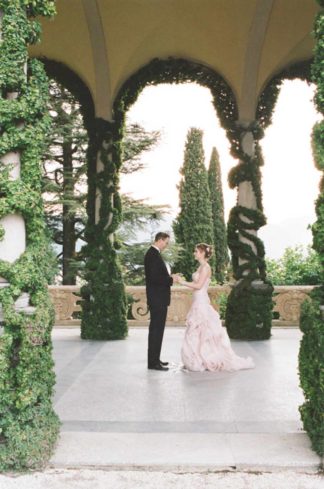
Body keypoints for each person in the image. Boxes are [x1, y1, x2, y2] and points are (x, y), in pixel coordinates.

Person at [174, 243, 255, 372]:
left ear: (202, 253)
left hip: (201, 300)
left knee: (203, 329)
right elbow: (195, 284)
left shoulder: (206, 267)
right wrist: (183, 281)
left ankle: (204, 358)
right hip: (197, 299)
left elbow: (199, 285)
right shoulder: (200, 267)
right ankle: (198, 358)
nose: (194, 253)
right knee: (197, 331)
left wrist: (181, 282)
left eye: (196, 251)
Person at [144, 232, 177, 371]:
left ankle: (155, 359)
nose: (167, 245)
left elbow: (156, 276)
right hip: (157, 299)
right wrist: (171, 279)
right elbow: (155, 278)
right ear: (160, 240)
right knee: (156, 331)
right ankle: (153, 363)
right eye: (166, 242)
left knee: (157, 330)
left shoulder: (153, 254)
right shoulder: (152, 255)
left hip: (158, 298)